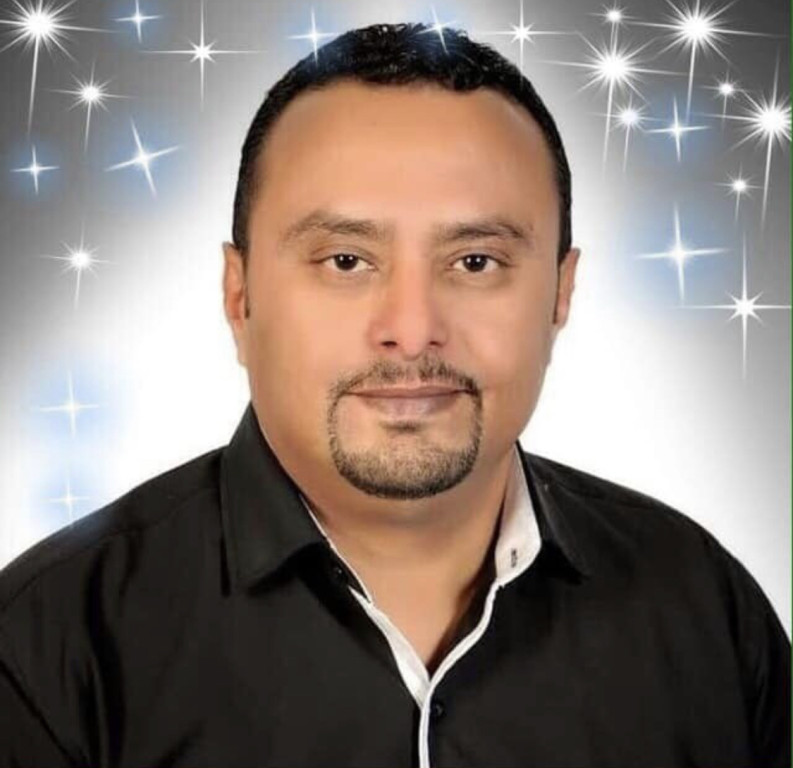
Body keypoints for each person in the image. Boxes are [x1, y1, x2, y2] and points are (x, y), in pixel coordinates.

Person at [0, 21, 789, 768]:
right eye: (345, 261)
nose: (411, 332)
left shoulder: (704, 609)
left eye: (475, 262)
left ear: (560, 294)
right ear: (239, 297)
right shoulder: (50, 645)